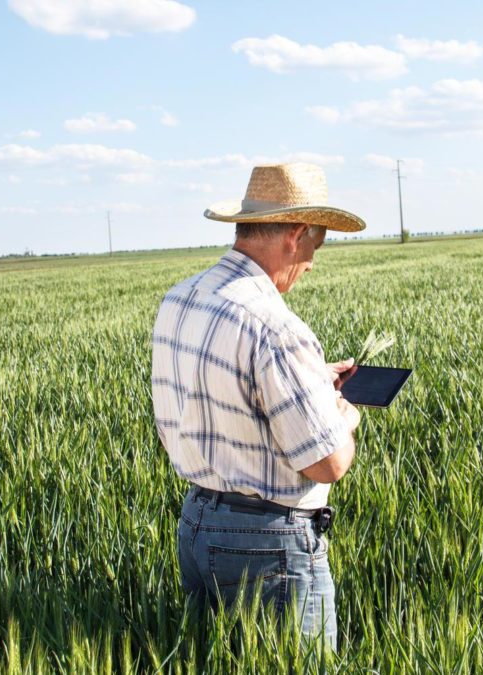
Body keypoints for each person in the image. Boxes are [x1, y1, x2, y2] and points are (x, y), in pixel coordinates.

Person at [150, 162, 367, 650]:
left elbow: (220, 388)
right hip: (268, 547)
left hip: (195, 526)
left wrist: (309, 380)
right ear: (295, 234)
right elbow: (327, 463)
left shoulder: (180, 299)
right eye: (319, 241)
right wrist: (340, 415)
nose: (314, 259)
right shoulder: (274, 325)